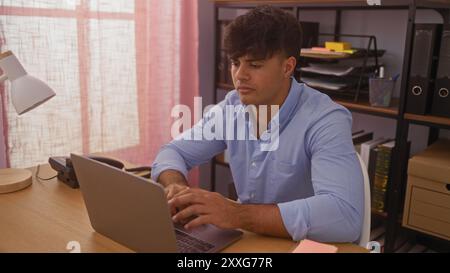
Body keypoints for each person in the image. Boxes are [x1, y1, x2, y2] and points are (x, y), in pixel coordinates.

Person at [151, 5, 364, 243]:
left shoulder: (326, 120)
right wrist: (176, 186)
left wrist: (236, 214)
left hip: (306, 246)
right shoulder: (232, 107)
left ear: (287, 66)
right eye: (235, 62)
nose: (240, 75)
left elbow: (345, 217)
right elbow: (172, 151)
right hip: (254, 240)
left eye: (254, 65)